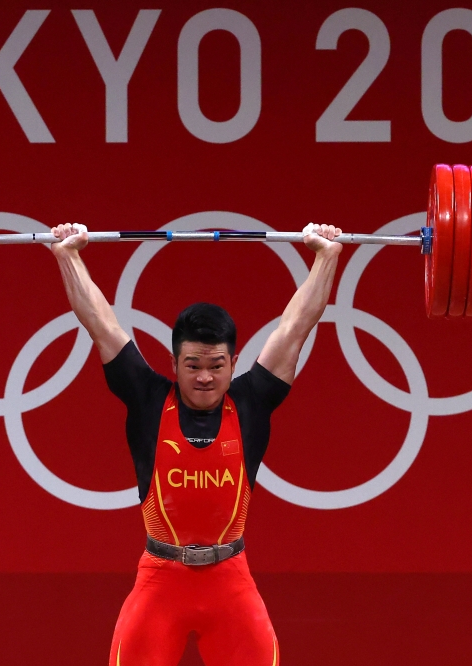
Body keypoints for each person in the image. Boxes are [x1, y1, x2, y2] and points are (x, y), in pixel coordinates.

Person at [49, 221, 343, 666]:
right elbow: (99, 322)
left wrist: (327, 257)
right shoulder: (148, 398)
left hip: (231, 583)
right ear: (174, 362)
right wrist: (67, 256)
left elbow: (296, 326)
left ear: (234, 363)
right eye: (192, 364)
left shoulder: (251, 402)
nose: (204, 376)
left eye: (215, 364)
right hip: (160, 581)